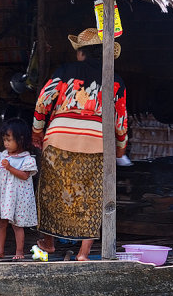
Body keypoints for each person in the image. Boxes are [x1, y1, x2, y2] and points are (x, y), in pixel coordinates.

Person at [32, 28, 128, 261]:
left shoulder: (65, 71)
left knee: (52, 193)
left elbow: (43, 101)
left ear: (81, 53)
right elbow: (121, 120)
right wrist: (120, 148)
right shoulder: (114, 79)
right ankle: (83, 254)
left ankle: (48, 242)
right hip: (96, 144)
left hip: (58, 140)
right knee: (91, 199)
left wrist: (37, 131)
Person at [0, 118, 38, 259]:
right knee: (1, 224)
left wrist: (9, 167)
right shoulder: (1, 156)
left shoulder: (27, 159)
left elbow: (25, 176)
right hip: (3, 197)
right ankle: (0, 251)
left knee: (17, 225)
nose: (5, 143)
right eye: (4, 140)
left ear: (21, 139)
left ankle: (19, 252)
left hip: (17, 198)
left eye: (9, 140)